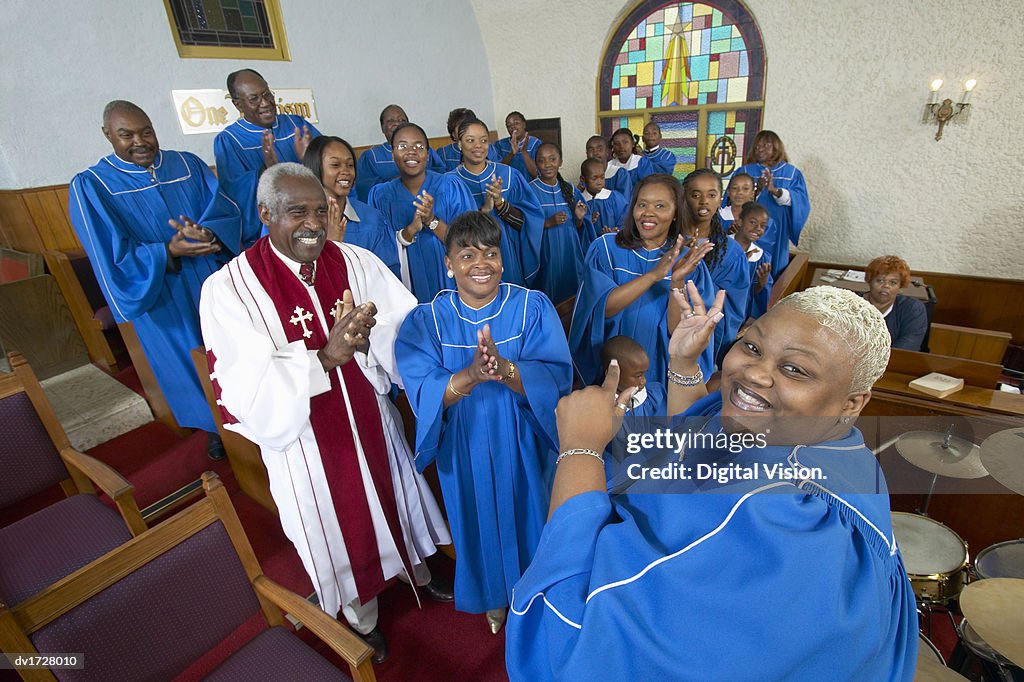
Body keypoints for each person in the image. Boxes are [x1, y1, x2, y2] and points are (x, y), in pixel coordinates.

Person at [507, 285, 918, 681]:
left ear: (852, 402)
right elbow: (696, 459)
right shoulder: (829, 444)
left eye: (795, 369)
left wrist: (580, 448)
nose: (754, 373)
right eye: (752, 346)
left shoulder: (782, 521)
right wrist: (685, 366)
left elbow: (577, 640)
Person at [199, 163, 453, 663]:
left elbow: (404, 327)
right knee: (334, 525)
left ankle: (414, 569)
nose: (313, 224)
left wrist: (425, 365)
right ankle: (361, 617)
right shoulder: (230, 290)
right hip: (307, 444)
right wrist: (324, 358)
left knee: (393, 493)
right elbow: (244, 380)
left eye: (321, 210)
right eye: (297, 212)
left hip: (371, 418)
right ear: (265, 213)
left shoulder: (355, 262)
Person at [396, 211, 572, 634]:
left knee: (531, 512)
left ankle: (536, 591)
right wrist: (470, 375)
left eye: (491, 253)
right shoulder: (428, 319)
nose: (481, 263)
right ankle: (496, 599)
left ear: (503, 260)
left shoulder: (531, 306)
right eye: (467, 254)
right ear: (449, 263)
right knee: (475, 520)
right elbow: (420, 386)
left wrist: (509, 371)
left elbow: (556, 375)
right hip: (465, 437)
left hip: (522, 433)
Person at [70, 100, 244, 459]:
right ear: (108, 136)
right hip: (158, 289)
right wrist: (167, 251)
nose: (140, 141)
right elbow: (108, 253)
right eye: (126, 134)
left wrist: (210, 235)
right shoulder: (93, 186)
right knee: (184, 358)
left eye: (146, 131)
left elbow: (223, 208)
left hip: (209, 274)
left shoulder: (187, 165)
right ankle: (213, 427)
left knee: (231, 345)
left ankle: (249, 409)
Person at [569, 174, 716, 387]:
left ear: (675, 213)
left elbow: (678, 332)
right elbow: (604, 308)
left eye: (660, 206)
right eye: (642, 204)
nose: (648, 213)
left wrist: (677, 283)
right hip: (611, 363)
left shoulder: (687, 262)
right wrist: (653, 276)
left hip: (659, 367)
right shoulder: (606, 249)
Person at [367, 122, 475, 302]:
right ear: (392, 153)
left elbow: (471, 241)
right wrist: (409, 231)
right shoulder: (380, 196)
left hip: (450, 281)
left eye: (419, 146)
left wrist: (432, 221)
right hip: (404, 286)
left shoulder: (450, 186)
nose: (411, 151)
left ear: (428, 152)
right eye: (402, 146)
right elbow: (378, 251)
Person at [214, 69, 321, 236]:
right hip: (274, 228)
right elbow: (235, 193)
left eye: (267, 94)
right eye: (254, 98)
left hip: (313, 217)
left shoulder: (296, 123)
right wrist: (267, 170)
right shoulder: (230, 140)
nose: (265, 103)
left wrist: (310, 158)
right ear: (238, 104)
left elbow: (328, 161)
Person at [452, 117, 544, 288]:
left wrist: (501, 203)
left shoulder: (509, 175)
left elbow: (529, 222)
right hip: (469, 261)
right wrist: (485, 211)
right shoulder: (450, 183)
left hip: (508, 256)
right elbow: (449, 232)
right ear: (459, 144)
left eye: (483, 140)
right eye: (470, 140)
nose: (478, 145)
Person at [301, 135, 400, 278]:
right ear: (315, 168)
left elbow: (388, 275)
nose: (346, 171)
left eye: (350, 165)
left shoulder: (372, 219)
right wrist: (331, 246)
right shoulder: (297, 221)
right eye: (335, 165)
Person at [682, 169, 750, 366]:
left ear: (721, 199)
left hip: (706, 339)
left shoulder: (731, 252)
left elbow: (733, 308)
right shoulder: (669, 243)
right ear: (684, 198)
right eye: (696, 195)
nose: (704, 201)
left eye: (711, 195)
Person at [735, 130, 810, 277]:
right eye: (757, 146)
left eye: (765, 145)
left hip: (778, 231)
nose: (760, 149)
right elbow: (733, 200)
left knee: (773, 272)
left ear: (776, 148)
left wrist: (775, 191)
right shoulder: (744, 170)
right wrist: (757, 190)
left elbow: (801, 201)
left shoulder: (792, 173)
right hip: (748, 228)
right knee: (749, 268)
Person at [598, 336, 665, 492]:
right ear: (612, 373)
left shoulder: (656, 395)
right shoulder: (601, 411)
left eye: (645, 374)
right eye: (637, 375)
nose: (643, 381)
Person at [528, 143, 591, 305]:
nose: (547, 164)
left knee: (574, 299)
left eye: (552, 159)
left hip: (571, 254)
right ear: (536, 164)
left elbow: (581, 228)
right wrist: (547, 223)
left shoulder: (570, 189)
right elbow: (522, 225)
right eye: (541, 160)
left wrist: (579, 218)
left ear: (560, 161)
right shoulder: (530, 191)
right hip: (546, 256)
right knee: (550, 298)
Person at [354, 104, 446, 201]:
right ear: (382, 128)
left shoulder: (424, 150)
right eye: (391, 121)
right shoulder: (370, 157)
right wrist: (400, 182)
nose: (397, 123)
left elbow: (440, 174)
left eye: (402, 120)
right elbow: (365, 189)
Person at [864, 255, 928, 351]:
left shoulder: (913, 309)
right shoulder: (851, 304)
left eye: (893, 282)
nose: (886, 286)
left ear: (900, 286)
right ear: (869, 281)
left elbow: (908, 347)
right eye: (880, 280)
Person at [730, 201, 773, 321]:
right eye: (752, 222)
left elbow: (755, 296)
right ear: (739, 221)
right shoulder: (721, 247)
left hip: (740, 315)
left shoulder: (761, 257)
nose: (758, 228)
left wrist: (761, 284)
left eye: (763, 225)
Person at [579, 158, 629, 247]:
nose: (600, 182)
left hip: (614, 246)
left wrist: (616, 232)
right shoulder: (580, 202)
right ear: (583, 179)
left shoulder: (614, 197)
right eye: (594, 178)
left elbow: (626, 219)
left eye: (602, 177)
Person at [437, 107, 501, 172]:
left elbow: (497, 171)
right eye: (461, 127)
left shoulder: (489, 149)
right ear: (453, 134)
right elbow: (441, 177)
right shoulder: (443, 153)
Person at [493, 111, 540, 180]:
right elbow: (497, 172)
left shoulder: (536, 144)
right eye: (509, 125)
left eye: (516, 123)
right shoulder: (500, 145)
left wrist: (524, 152)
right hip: (509, 187)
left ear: (524, 125)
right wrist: (512, 153)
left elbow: (538, 175)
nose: (513, 127)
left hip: (530, 187)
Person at [586, 134, 632, 200]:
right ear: (587, 154)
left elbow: (624, 203)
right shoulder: (586, 175)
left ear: (607, 152)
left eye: (599, 149)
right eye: (591, 150)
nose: (595, 153)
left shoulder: (620, 174)